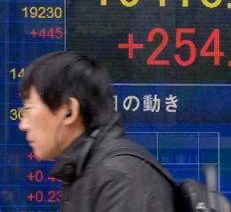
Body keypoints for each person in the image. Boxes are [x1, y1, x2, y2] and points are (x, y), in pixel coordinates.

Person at [17, 51, 176, 212]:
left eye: (28, 110)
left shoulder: (119, 178)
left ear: (69, 111)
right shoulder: (88, 171)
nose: (23, 125)